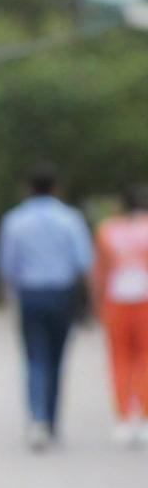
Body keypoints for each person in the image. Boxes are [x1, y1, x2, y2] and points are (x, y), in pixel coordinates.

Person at [0, 163, 94, 451]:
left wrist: (9, 297)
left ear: (29, 188)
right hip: (62, 294)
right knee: (57, 358)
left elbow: (6, 265)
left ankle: (37, 419)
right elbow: (83, 262)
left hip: (30, 295)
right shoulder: (71, 219)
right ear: (56, 188)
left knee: (34, 357)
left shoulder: (14, 220)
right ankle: (51, 421)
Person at [92, 183, 148, 446]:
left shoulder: (108, 230)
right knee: (145, 359)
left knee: (120, 359)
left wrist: (96, 303)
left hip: (117, 300)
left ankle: (125, 416)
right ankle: (145, 417)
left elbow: (100, 272)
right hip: (144, 301)